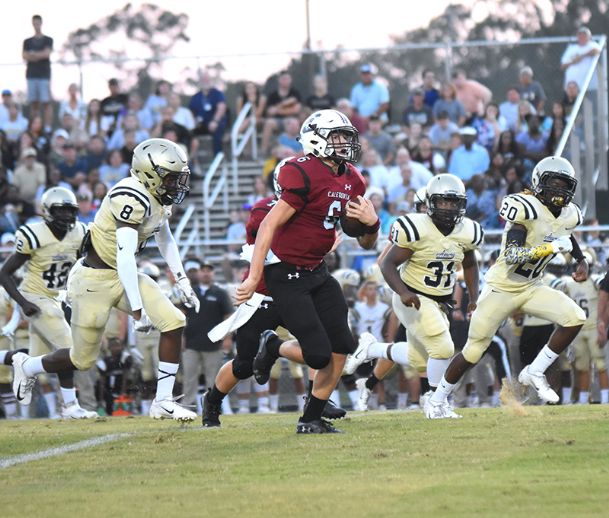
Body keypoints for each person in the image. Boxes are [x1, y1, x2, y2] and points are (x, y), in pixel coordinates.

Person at [10, 138, 201, 422]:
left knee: (174, 322)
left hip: (125, 274)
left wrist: (182, 279)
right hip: (94, 281)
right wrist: (137, 311)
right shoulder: (129, 196)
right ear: (150, 174)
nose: (176, 184)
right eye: (171, 178)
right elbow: (124, 255)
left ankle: (162, 401)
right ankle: (29, 366)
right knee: (81, 360)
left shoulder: (158, 198)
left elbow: (165, 237)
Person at [235, 109, 379, 433]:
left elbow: (368, 243)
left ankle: (311, 418)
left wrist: (372, 223)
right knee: (318, 355)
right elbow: (269, 224)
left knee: (343, 344)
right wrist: (255, 276)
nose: (344, 143)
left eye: (346, 136)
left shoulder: (353, 178)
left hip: (318, 271)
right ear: (315, 138)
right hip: (286, 274)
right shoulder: (300, 171)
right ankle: (273, 346)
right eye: (337, 136)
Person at [428, 156, 588, 418]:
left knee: (575, 317)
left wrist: (580, 260)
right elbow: (512, 256)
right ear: (539, 184)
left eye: (564, 185)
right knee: (473, 351)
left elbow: (565, 232)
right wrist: (549, 248)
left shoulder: (570, 214)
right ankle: (436, 400)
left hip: (532, 286)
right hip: (501, 288)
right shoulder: (525, 207)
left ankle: (535, 371)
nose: (559, 191)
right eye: (553, 184)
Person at [346, 175, 483, 417]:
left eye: (453, 203)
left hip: (439, 300)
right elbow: (387, 263)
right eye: (443, 202)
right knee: (443, 348)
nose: (448, 208)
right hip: (414, 296)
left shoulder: (467, 231)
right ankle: (436, 401)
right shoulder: (416, 228)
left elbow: (470, 265)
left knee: (418, 358)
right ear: (431, 202)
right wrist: (403, 292)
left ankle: (371, 349)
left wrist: (473, 297)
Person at [0, 187, 96, 418]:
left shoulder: (81, 232)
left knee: (38, 360)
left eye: (70, 211)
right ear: (47, 211)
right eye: (60, 210)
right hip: (35, 296)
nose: (67, 216)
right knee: (71, 350)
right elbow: (4, 273)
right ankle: (71, 406)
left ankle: (14, 360)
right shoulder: (34, 234)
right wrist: (22, 303)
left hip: (57, 298)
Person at [182, 260, 233, 409]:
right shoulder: (191, 292)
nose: (205, 273)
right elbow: (182, 315)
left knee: (214, 380)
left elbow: (228, 316)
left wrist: (228, 337)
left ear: (213, 274)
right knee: (189, 378)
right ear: (198, 273)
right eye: (203, 270)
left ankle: (213, 407)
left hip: (214, 344)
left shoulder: (220, 293)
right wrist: (181, 337)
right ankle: (187, 408)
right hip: (191, 343)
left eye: (208, 270)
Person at [260, 70, 302, 155]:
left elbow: (296, 110)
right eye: (283, 79)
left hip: (292, 119)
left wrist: (278, 110)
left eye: (287, 79)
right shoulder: (273, 95)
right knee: (269, 123)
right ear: (279, 80)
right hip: (277, 121)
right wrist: (285, 104)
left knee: (292, 122)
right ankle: (263, 152)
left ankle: (297, 152)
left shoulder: (295, 93)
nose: (285, 81)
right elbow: (270, 112)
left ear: (290, 80)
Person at [22, 15, 53, 129]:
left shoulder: (48, 40)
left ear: (41, 23)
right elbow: (24, 55)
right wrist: (39, 55)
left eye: (38, 23)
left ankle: (47, 128)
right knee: (33, 103)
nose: (36, 25)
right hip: (31, 75)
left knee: (46, 102)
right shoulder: (27, 41)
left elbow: (46, 54)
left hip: (44, 75)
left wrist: (33, 55)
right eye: (34, 23)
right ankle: (35, 126)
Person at [189, 71, 228, 156]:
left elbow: (221, 108)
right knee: (188, 132)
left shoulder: (218, 94)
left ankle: (217, 159)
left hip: (215, 122)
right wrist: (194, 122)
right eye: (203, 79)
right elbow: (191, 112)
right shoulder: (196, 97)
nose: (205, 81)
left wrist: (215, 121)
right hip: (200, 124)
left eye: (207, 79)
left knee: (217, 131)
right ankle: (192, 162)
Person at [560, 26, 601, 91]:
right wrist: (573, 61)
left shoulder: (592, 45)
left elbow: (596, 51)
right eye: (580, 35)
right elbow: (562, 66)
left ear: (589, 37)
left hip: (589, 86)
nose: (582, 37)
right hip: (572, 87)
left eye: (584, 35)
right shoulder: (571, 48)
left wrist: (581, 56)